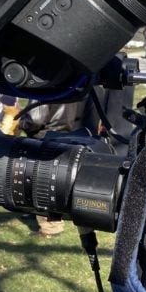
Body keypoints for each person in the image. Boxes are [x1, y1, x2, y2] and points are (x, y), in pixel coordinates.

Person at [19, 101, 86, 238]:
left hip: (43, 138)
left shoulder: (45, 89)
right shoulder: (68, 87)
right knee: (52, 182)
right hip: (62, 136)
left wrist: (22, 123)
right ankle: (47, 220)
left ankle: (51, 227)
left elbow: (35, 119)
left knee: (42, 184)